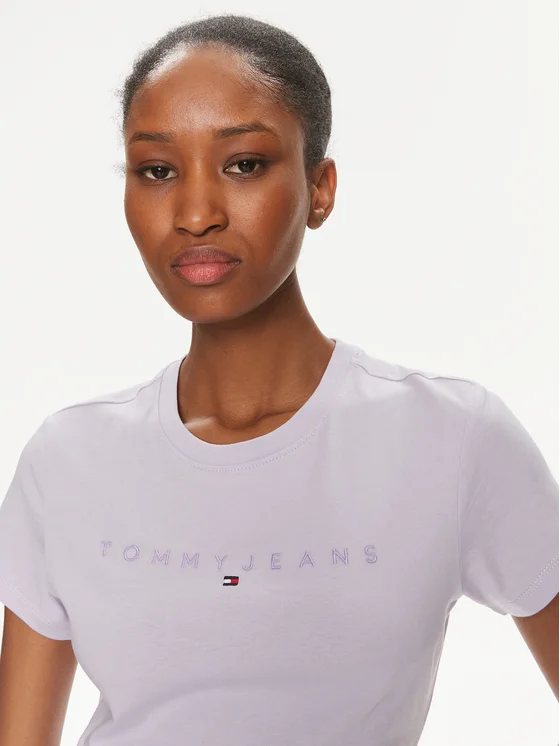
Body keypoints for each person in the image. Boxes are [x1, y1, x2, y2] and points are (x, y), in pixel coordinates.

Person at [0, 13, 557, 746]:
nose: (195, 214)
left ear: (320, 189)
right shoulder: (68, 460)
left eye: (244, 164)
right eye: (158, 171)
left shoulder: (452, 440)